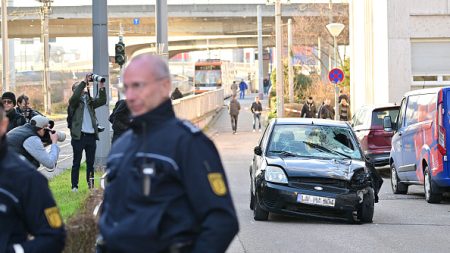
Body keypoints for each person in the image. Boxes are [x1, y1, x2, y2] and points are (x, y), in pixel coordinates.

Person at [98, 54, 239, 253]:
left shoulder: (189, 144)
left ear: (164, 86)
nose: (130, 96)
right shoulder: (121, 147)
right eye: (126, 88)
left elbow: (222, 221)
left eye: (138, 86)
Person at [0, 102, 66, 253]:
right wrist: (54, 144)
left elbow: (55, 235)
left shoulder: (28, 178)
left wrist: (15, 251)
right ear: (42, 129)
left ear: (3, 125)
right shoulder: (31, 138)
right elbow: (50, 162)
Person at [69, 73, 107, 191]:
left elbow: (101, 100)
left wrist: (101, 86)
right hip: (79, 136)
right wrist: (84, 81)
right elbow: (75, 98)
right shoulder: (73, 104)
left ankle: (90, 186)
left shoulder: (89, 102)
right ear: (75, 90)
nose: (83, 89)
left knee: (90, 163)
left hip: (91, 136)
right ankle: (74, 186)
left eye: (84, 88)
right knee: (77, 162)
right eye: (80, 88)